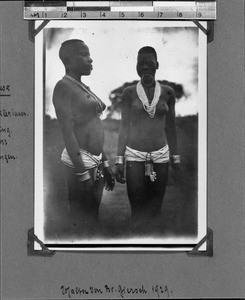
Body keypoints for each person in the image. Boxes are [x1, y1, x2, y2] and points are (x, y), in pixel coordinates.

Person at [115, 46, 181, 231]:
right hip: (134, 156)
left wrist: (175, 159)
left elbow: (171, 127)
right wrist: (119, 160)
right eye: (140, 62)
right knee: (137, 211)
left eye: (149, 62)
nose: (144, 66)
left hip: (160, 156)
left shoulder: (168, 93)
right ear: (136, 66)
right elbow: (124, 126)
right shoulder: (128, 93)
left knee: (155, 209)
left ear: (157, 64)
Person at [53, 39, 115, 234]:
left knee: (93, 217)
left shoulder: (82, 87)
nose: (90, 59)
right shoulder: (63, 87)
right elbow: (68, 133)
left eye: (89, 54)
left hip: (95, 161)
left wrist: (105, 165)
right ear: (68, 61)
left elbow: (93, 129)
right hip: (78, 163)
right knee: (81, 220)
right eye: (84, 54)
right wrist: (82, 173)